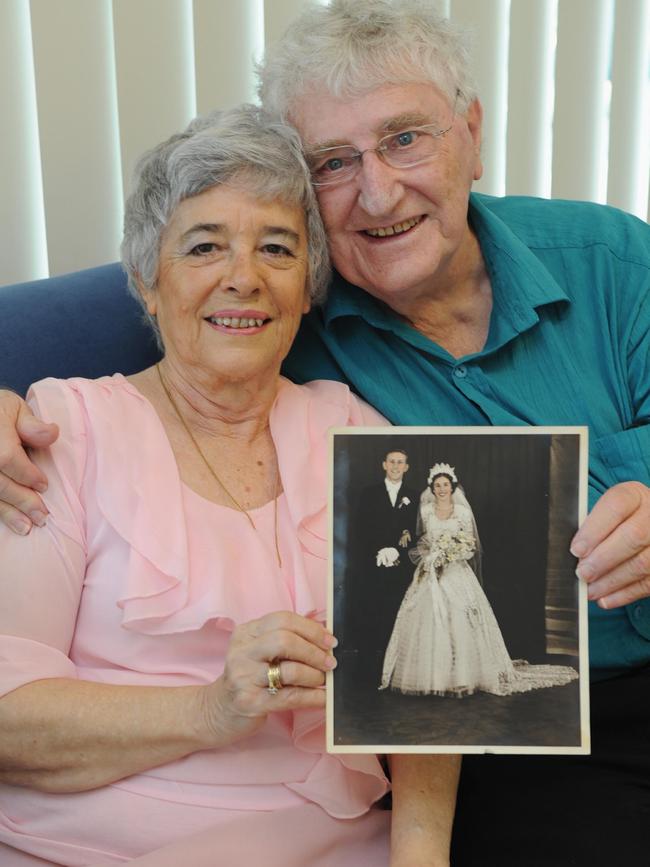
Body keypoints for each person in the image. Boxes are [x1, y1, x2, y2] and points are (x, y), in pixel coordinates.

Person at [0, 0, 649, 862]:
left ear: (472, 133)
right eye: (334, 162)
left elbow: (423, 716)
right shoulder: (95, 416)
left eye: (406, 138)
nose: (377, 191)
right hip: (525, 748)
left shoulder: (605, 263)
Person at [0, 105, 457, 866]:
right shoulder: (59, 431)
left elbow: (436, 689)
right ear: (148, 283)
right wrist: (214, 708)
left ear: (308, 287)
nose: (243, 278)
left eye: (276, 249)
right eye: (205, 246)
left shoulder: (361, 438)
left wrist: (419, 856)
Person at [380, 463, 578, 696]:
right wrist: (433, 556)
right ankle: (433, 676)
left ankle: (464, 676)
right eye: (437, 485)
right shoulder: (425, 511)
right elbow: (424, 541)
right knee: (426, 619)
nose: (441, 489)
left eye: (445, 485)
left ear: (452, 487)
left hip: (456, 572)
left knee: (460, 620)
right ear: (431, 489)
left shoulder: (463, 512)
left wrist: (451, 555)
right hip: (431, 570)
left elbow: (469, 545)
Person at [349, 449, 418, 687]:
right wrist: (376, 552)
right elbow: (360, 529)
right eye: (392, 462)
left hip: (401, 567)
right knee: (370, 615)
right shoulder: (369, 494)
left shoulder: (414, 496)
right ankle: (366, 673)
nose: (396, 466)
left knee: (395, 615)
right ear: (384, 465)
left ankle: (393, 671)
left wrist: (404, 543)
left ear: (406, 467)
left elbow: (417, 530)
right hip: (373, 565)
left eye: (401, 462)